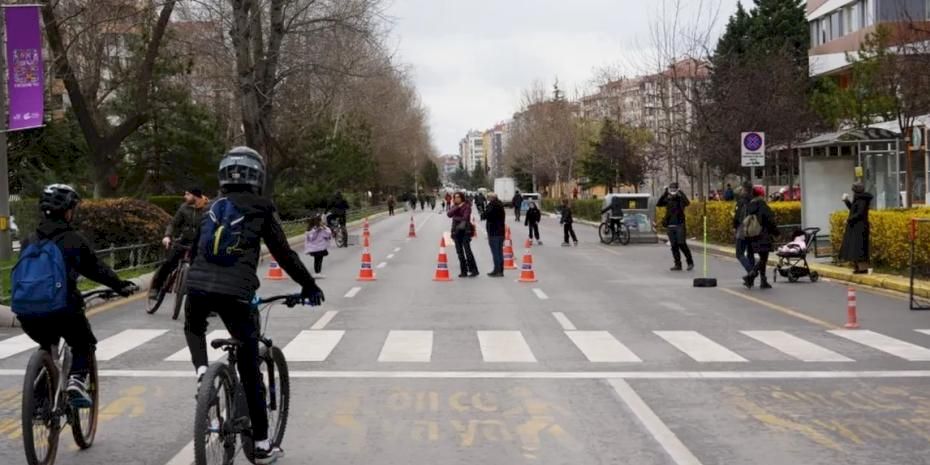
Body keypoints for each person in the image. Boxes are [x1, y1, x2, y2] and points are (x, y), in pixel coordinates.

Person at [184, 147, 324, 464]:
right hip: (237, 295)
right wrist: (308, 285)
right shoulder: (261, 207)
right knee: (250, 370)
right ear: (256, 177)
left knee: (193, 325)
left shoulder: (213, 207)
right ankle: (261, 445)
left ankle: (202, 372)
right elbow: (283, 253)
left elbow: (194, 252)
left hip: (197, 290)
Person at [13, 184, 137, 407]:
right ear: (68, 210)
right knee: (84, 343)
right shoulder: (73, 239)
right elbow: (96, 269)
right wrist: (120, 286)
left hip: (26, 313)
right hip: (63, 310)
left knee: (47, 344)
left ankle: (39, 401)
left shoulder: (29, 240)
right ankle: (76, 382)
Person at [148, 188, 209, 308]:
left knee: (205, 272)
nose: (185, 196)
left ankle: (207, 304)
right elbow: (173, 224)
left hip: (199, 243)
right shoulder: (184, 208)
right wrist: (167, 236)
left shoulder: (208, 208)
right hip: (183, 241)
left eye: (187, 194)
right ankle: (156, 288)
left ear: (196, 196)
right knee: (168, 263)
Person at [743, 186, 779, 289]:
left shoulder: (749, 206)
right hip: (763, 234)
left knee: (762, 257)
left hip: (752, 235)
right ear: (761, 195)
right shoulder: (762, 205)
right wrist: (776, 233)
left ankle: (762, 280)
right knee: (764, 258)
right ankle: (751, 275)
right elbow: (770, 220)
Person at [657, 182, 694, 271]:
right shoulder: (668, 198)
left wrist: (680, 193)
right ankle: (678, 264)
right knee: (674, 245)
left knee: (681, 243)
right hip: (670, 224)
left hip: (680, 224)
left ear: (677, 189)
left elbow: (687, 203)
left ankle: (690, 262)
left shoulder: (680, 198)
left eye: (674, 189)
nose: (673, 191)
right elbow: (659, 204)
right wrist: (665, 193)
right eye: (671, 189)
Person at [839, 182, 873, 274]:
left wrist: (849, 220)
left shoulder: (862, 200)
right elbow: (853, 209)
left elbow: (859, 213)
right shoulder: (859, 198)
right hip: (856, 227)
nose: (853, 193)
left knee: (859, 248)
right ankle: (858, 267)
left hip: (860, 227)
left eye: (854, 191)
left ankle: (862, 268)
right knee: (855, 248)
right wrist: (846, 201)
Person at [447, 192, 479, 277]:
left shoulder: (467, 206)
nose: (456, 199)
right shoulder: (454, 206)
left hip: (465, 231)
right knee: (459, 252)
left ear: (462, 198)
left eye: (458, 197)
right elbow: (449, 214)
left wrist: (455, 217)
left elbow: (465, 217)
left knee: (467, 251)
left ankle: (474, 270)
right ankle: (463, 271)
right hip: (456, 231)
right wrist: (457, 207)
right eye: (455, 197)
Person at [732, 181, 756, 275]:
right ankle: (751, 278)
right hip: (753, 230)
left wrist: (734, 227)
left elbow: (737, 216)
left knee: (739, 253)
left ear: (745, 189)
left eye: (742, 189)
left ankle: (751, 270)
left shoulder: (741, 201)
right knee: (750, 253)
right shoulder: (754, 200)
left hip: (742, 229)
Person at [482, 192, 506, 276]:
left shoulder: (492, 206)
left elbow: (485, 215)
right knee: (500, 252)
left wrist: (483, 212)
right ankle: (501, 270)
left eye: (488, 197)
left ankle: (497, 270)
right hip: (501, 232)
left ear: (491, 198)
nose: (487, 199)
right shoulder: (500, 205)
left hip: (494, 232)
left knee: (495, 252)